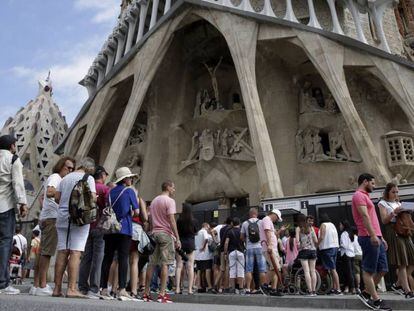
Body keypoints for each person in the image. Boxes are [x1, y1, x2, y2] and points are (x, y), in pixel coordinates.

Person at [53, 157, 97, 298]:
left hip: (62, 217)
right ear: (88, 168)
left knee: (62, 252)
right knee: (75, 252)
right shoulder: (88, 178)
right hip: (80, 219)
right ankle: (71, 288)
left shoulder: (65, 178)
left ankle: (57, 289)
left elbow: (57, 198)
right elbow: (93, 198)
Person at [35, 156, 75, 296]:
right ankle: (42, 285)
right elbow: (50, 192)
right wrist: (64, 196)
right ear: (60, 166)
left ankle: (36, 285)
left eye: (72, 168)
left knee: (43, 252)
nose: (69, 170)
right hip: (51, 218)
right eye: (67, 167)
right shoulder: (56, 178)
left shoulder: (59, 179)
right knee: (47, 253)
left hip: (49, 217)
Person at [352, 173, 391, 311]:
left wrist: (381, 237)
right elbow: (364, 216)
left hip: (376, 236)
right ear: (365, 182)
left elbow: (373, 220)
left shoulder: (366, 196)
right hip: (368, 237)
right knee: (369, 270)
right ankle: (376, 300)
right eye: (372, 183)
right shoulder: (358, 195)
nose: (374, 186)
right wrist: (374, 236)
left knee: (383, 269)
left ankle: (366, 293)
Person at [100, 167, 140, 301]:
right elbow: (137, 212)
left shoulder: (110, 192)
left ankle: (104, 288)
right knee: (123, 259)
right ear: (125, 179)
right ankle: (122, 289)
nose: (131, 180)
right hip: (124, 229)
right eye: (130, 177)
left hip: (110, 229)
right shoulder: (129, 191)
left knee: (108, 258)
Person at [143, 180, 180, 303]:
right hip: (166, 234)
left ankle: (146, 293)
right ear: (168, 187)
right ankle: (162, 294)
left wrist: (153, 230)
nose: (174, 190)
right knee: (165, 263)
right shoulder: (170, 201)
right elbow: (172, 220)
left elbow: (151, 218)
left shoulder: (154, 201)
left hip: (154, 233)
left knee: (151, 264)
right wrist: (177, 237)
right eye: (173, 187)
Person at [0, 135, 28, 295]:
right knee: (4, 244)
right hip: (5, 206)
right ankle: (2, 283)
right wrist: (23, 203)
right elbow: (18, 183)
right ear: (12, 146)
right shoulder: (13, 160)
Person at [378, 183, 414, 299]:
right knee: (402, 262)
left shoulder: (399, 202)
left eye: (397, 192)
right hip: (393, 231)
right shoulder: (382, 203)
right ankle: (407, 290)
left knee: (412, 260)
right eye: (393, 192)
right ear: (387, 192)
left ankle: (398, 284)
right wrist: (394, 212)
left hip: (404, 231)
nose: (396, 194)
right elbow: (384, 220)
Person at [78, 165, 109, 299]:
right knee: (98, 259)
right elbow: (108, 207)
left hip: (86, 226)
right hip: (99, 226)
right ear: (102, 175)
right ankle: (94, 288)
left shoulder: (88, 186)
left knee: (86, 258)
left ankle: (82, 287)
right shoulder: (104, 189)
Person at [240, 207, 267, 294]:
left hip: (249, 248)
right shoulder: (261, 222)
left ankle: (247, 288)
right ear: (257, 214)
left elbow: (241, 237)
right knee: (262, 269)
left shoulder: (245, 223)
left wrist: (247, 241)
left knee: (249, 269)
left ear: (249, 214)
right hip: (260, 247)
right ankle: (262, 288)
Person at [259, 208, 284, 296]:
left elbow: (271, 234)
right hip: (270, 248)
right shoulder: (266, 219)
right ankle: (264, 285)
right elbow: (267, 232)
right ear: (275, 215)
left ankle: (273, 289)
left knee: (276, 268)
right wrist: (269, 244)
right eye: (277, 218)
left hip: (272, 248)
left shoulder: (268, 221)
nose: (277, 220)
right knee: (275, 267)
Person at [176, 203, 197, 295]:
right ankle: (189, 289)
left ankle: (177, 288)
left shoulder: (179, 220)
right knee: (190, 266)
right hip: (190, 243)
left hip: (180, 243)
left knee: (179, 266)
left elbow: (177, 231)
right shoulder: (194, 220)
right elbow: (196, 231)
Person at [318, 213, 341, 295]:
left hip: (327, 248)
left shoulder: (323, 225)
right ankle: (334, 288)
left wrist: (317, 244)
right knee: (333, 269)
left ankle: (338, 289)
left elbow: (322, 236)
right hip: (335, 247)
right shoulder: (332, 225)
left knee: (332, 269)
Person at [296, 214, 318, 296]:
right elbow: (316, 240)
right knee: (313, 271)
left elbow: (297, 242)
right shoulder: (311, 228)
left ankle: (309, 291)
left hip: (304, 251)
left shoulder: (298, 229)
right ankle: (314, 291)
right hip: (312, 251)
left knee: (306, 271)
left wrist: (301, 245)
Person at [224, 217, 244, 294]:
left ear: (232, 223)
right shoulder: (241, 231)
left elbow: (226, 243)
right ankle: (241, 288)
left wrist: (226, 253)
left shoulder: (229, 231)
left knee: (232, 270)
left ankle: (232, 288)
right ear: (239, 223)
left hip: (232, 252)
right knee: (240, 270)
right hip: (240, 251)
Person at [195, 223, 213, 292]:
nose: (209, 229)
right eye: (208, 227)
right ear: (206, 226)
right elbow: (206, 238)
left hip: (197, 255)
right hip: (205, 255)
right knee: (207, 270)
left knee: (199, 271)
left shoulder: (198, 232)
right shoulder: (204, 231)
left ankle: (199, 286)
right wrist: (203, 246)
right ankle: (209, 286)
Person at [339, 220, 356, 294]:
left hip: (346, 254)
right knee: (352, 271)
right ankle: (353, 287)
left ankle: (352, 288)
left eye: (340, 225)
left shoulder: (344, 234)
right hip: (352, 254)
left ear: (343, 225)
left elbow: (345, 245)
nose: (339, 226)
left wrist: (339, 246)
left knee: (348, 272)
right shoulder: (351, 233)